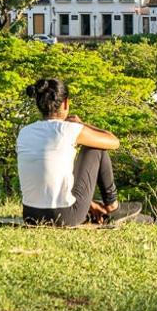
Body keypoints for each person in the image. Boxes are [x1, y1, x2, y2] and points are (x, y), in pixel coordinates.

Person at [17, 78, 126, 226]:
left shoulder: (24, 132)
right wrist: (82, 124)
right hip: (65, 216)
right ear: (65, 103)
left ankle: (104, 208)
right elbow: (114, 142)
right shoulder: (68, 129)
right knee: (94, 148)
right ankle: (113, 205)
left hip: (30, 215)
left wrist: (90, 204)